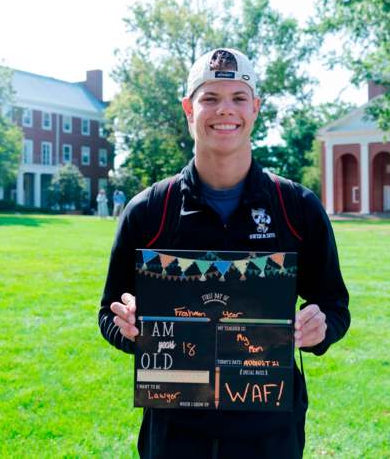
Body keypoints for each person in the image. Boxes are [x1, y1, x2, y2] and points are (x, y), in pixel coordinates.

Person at [98, 48, 350, 458]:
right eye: (210, 98)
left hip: (269, 431)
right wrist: (128, 327)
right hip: (175, 431)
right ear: (188, 109)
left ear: (255, 108)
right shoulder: (148, 211)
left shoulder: (296, 207)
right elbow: (108, 313)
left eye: (237, 97)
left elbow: (335, 306)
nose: (224, 110)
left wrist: (320, 329)